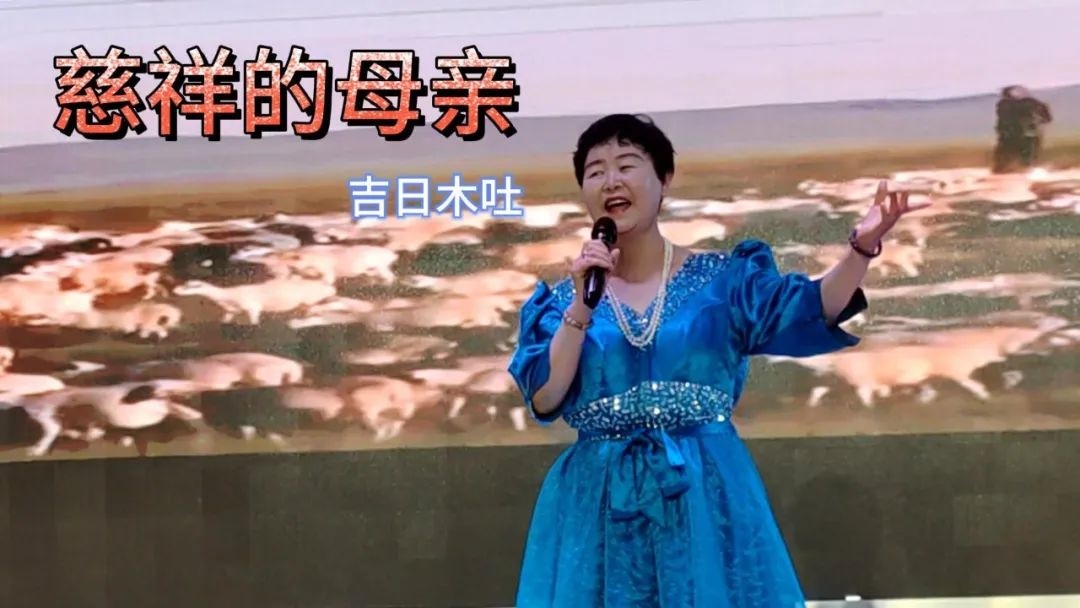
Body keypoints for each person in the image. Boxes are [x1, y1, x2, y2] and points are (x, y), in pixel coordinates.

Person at [506, 113, 928, 607]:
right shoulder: (562, 302)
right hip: (599, 499)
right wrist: (581, 306)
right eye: (595, 171)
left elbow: (812, 306)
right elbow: (545, 396)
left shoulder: (722, 283)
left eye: (627, 164)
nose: (611, 181)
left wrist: (861, 248)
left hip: (704, 493)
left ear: (664, 180)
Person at [993, 85, 1053, 173]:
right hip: (1025, 133)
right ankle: (1022, 168)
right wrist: (1043, 121)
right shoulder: (1030, 102)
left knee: (1006, 153)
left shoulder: (1003, 104)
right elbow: (1045, 115)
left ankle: (1007, 169)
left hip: (1011, 134)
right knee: (1026, 153)